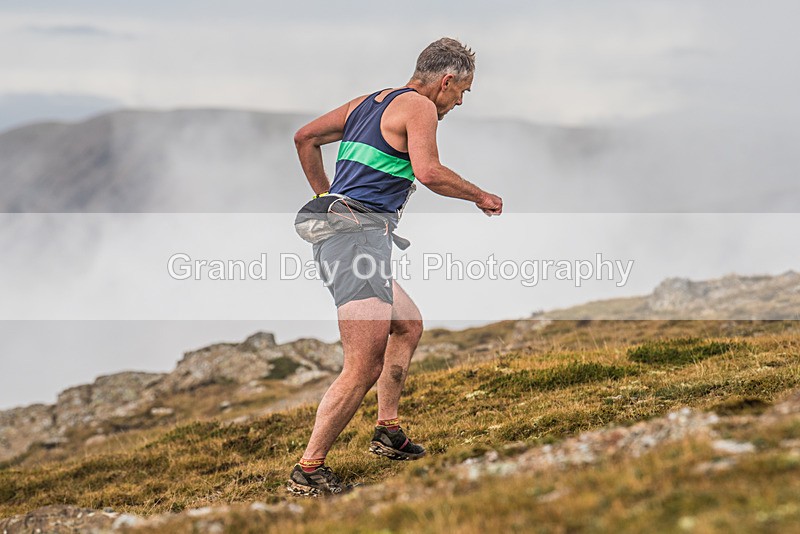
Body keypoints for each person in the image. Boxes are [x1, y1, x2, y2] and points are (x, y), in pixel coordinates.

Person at [288, 37, 503, 496]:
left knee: (407, 325)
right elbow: (428, 171)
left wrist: (325, 198)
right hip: (355, 241)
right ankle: (309, 469)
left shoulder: (370, 102)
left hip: (357, 238)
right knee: (362, 365)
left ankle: (387, 430)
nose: (459, 102)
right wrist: (480, 196)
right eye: (462, 92)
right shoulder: (419, 107)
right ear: (446, 81)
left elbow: (304, 137)